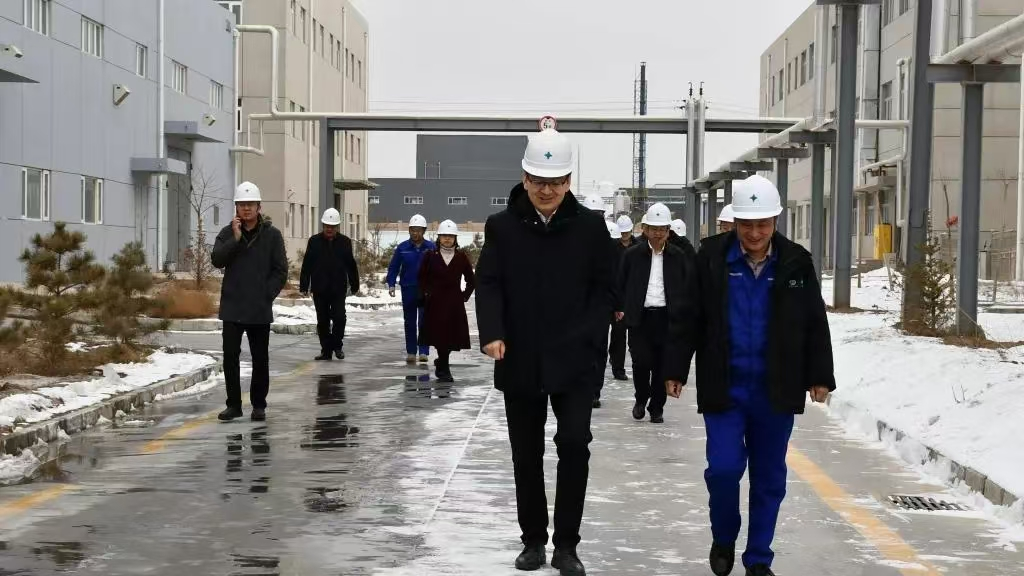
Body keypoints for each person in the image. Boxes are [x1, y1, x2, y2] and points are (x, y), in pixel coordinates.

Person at [667, 175, 835, 576]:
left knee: (769, 477)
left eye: (762, 224)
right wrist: (675, 368)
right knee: (723, 470)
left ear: (775, 221)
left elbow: (814, 320)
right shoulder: (710, 259)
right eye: (747, 225)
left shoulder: (795, 262)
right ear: (735, 223)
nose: (755, 233)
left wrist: (819, 375)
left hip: (776, 389)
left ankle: (758, 557)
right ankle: (724, 537)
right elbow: (688, 316)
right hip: (725, 386)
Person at [476, 128, 612, 576]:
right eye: (538, 181)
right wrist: (493, 331)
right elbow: (489, 283)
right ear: (525, 178)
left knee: (574, 445)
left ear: (569, 181)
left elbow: (605, 289)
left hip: (575, 361)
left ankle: (567, 546)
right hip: (520, 358)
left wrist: (589, 336)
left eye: (555, 182)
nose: (547, 190)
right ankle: (533, 540)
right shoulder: (502, 227)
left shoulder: (591, 228)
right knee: (526, 453)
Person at [211, 181, 288, 422]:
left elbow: (280, 270)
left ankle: (259, 405)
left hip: (259, 308)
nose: (246, 208)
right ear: (236, 207)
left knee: (260, 359)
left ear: (258, 207)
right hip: (232, 307)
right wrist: (234, 239)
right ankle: (234, 405)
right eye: (242, 204)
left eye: (250, 204)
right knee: (230, 358)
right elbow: (217, 260)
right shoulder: (227, 233)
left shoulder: (272, 235)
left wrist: (266, 294)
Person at [615, 203, 697, 424]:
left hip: (667, 318)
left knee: (663, 364)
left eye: (662, 229)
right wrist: (620, 307)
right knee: (641, 362)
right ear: (645, 229)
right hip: (640, 317)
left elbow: (687, 286)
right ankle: (641, 398)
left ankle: (657, 407)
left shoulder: (678, 256)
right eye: (654, 229)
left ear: (669, 231)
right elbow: (620, 282)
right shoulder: (632, 255)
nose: (658, 233)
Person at [418, 219, 476, 383]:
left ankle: (441, 362)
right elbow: (421, 278)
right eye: (444, 236)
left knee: (451, 336)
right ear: (439, 237)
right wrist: (424, 295)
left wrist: (464, 296)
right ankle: (444, 368)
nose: (447, 239)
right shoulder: (430, 256)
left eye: (451, 236)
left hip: (454, 303)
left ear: (455, 238)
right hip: (435, 302)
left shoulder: (461, 257)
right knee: (439, 336)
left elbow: (472, 280)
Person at [299, 208, 360, 361]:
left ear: (337, 227)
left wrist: (355, 284)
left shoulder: (345, 242)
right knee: (323, 321)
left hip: (338, 288)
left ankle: (337, 346)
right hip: (320, 288)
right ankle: (326, 351)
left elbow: (351, 264)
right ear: (323, 225)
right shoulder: (314, 241)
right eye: (327, 226)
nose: (329, 229)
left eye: (332, 227)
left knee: (339, 318)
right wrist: (304, 285)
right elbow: (307, 264)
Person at [386, 215, 436, 364]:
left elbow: (438, 268)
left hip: (426, 289)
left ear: (424, 231)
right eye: (413, 230)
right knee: (409, 321)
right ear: (409, 231)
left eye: (418, 230)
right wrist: (391, 284)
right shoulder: (402, 248)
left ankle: (423, 351)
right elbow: (394, 267)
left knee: (424, 320)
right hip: (408, 288)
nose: (415, 233)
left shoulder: (431, 247)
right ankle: (411, 352)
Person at [608, 214, 638, 383]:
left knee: (629, 334)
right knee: (618, 334)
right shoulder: (612, 247)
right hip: (615, 294)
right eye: (622, 233)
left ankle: (619, 362)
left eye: (627, 232)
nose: (625, 235)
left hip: (632, 295)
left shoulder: (638, 246)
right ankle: (617, 367)